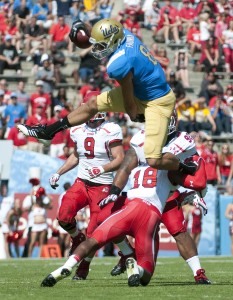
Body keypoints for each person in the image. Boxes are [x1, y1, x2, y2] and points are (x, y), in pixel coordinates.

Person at [40, 112, 210, 288]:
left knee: (177, 232)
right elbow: (132, 166)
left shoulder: (182, 140)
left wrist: (192, 192)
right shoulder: (142, 138)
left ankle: (196, 272)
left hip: (156, 196)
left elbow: (181, 168)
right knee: (109, 221)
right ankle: (129, 257)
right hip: (151, 202)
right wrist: (115, 191)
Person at [17, 18, 197, 177]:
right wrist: (81, 27)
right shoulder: (122, 33)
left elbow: (129, 103)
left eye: (101, 45)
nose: (96, 48)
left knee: (153, 159)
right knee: (92, 104)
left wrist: (134, 114)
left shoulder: (120, 62)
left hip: (157, 101)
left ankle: (183, 166)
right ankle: (48, 132)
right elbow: (99, 30)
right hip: (142, 89)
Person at [48, 111, 124, 279]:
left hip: (102, 186)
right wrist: (59, 172)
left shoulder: (110, 128)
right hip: (82, 182)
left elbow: (120, 158)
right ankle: (76, 236)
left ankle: (84, 266)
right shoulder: (77, 129)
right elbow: (76, 155)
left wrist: (102, 168)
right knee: (63, 216)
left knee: (93, 233)